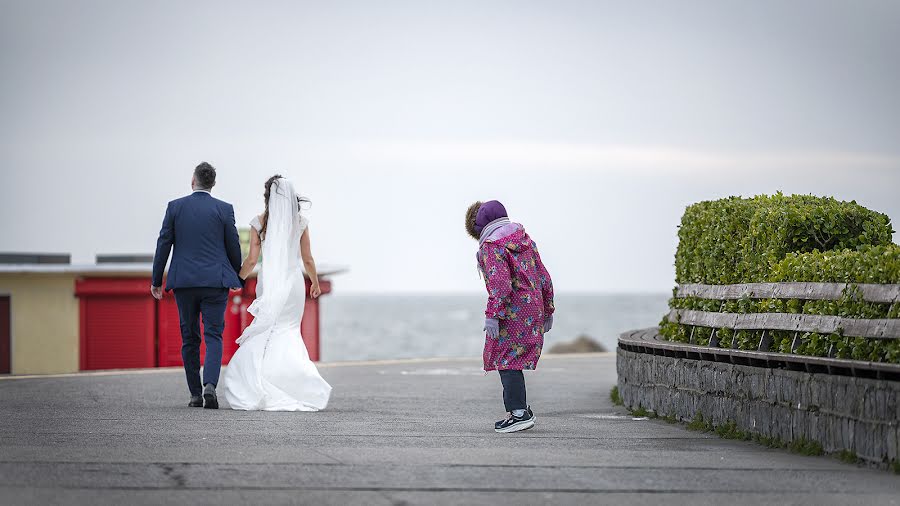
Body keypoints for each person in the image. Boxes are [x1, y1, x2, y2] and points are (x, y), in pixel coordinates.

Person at [220, 175, 332, 411]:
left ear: (267, 197)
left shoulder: (259, 222)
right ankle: (296, 380)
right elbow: (308, 258)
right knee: (289, 330)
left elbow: (251, 260)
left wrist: (237, 279)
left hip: (269, 282)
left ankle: (261, 380)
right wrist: (314, 282)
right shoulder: (300, 222)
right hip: (292, 284)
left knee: (268, 330)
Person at [151, 162, 244, 409]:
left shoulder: (175, 208)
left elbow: (164, 244)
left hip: (184, 283)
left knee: (189, 337)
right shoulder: (224, 210)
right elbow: (233, 245)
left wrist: (156, 280)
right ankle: (210, 386)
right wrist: (237, 275)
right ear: (213, 184)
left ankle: (194, 394)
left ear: (193, 181)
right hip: (215, 282)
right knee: (213, 335)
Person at [465, 200, 555, 433]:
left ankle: (518, 413)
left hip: (512, 312)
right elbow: (544, 276)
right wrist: (548, 309)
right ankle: (521, 408)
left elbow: (501, 285)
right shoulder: (525, 241)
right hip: (533, 309)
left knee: (507, 360)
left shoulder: (492, 246)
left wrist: (492, 316)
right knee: (513, 360)